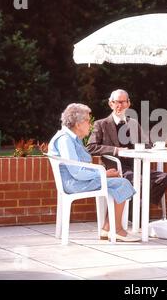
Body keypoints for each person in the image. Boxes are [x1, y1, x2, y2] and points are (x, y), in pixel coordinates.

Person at [48, 103, 140, 242]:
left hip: (78, 181)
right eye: (87, 121)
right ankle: (117, 230)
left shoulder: (71, 138)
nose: (90, 125)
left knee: (119, 181)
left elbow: (79, 167)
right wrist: (103, 173)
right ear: (78, 124)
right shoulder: (65, 140)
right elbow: (77, 172)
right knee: (122, 183)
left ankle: (107, 229)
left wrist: (103, 172)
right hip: (75, 184)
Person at [86, 89, 167, 210]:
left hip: (137, 166)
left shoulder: (133, 123)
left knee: (165, 178)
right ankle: (137, 210)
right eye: (116, 102)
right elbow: (90, 147)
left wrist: (156, 145)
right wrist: (116, 150)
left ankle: (139, 206)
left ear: (128, 103)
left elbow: (146, 144)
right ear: (110, 104)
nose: (119, 105)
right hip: (116, 167)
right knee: (140, 181)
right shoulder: (101, 124)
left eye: (123, 102)